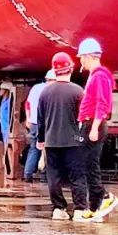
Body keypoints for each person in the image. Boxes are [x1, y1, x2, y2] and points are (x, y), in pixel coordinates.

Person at [36, 53, 87, 220]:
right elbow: (83, 117)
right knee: (77, 176)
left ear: (54, 70)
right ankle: (79, 210)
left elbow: (41, 119)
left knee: (54, 176)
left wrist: (41, 140)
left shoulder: (45, 92)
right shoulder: (78, 91)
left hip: (51, 141)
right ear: (70, 69)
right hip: (73, 141)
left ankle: (58, 209)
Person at [76, 37, 118, 221]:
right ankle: (94, 207)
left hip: (93, 124)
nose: (81, 61)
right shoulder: (97, 75)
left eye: (81, 57)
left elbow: (102, 103)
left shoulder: (99, 76)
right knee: (88, 165)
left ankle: (104, 197)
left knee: (90, 165)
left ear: (88, 56)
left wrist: (94, 127)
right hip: (90, 123)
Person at [23, 70, 55, 181]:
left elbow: (27, 104)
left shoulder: (36, 88)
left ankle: (28, 174)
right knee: (48, 150)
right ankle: (44, 176)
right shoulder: (52, 90)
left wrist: (28, 118)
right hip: (46, 124)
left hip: (33, 123)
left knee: (34, 148)